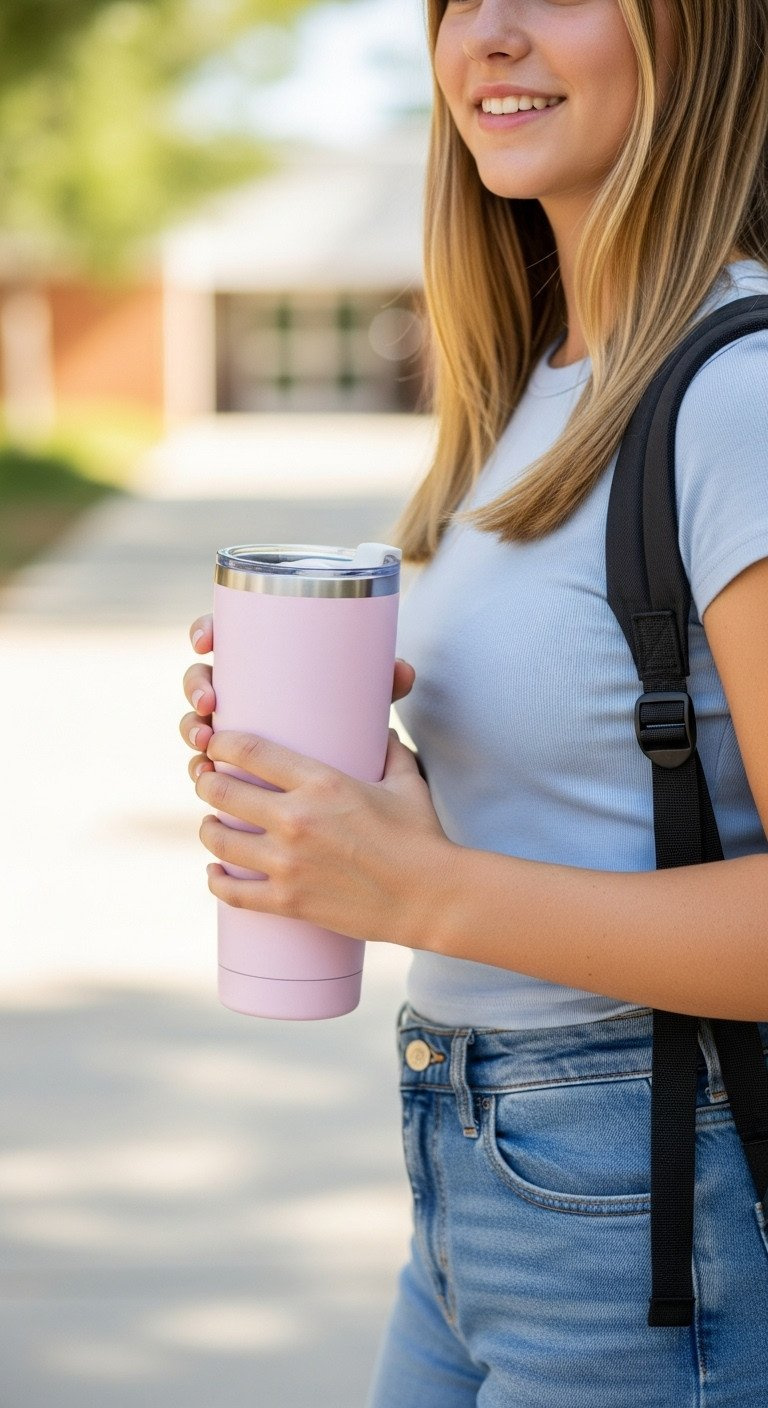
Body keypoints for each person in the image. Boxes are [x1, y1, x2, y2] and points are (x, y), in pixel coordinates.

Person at [179, 0, 768, 1402]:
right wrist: (364, 798)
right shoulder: (542, 381)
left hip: (652, 1192)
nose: (488, 34)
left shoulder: (740, 391)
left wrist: (421, 889)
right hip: (479, 1164)